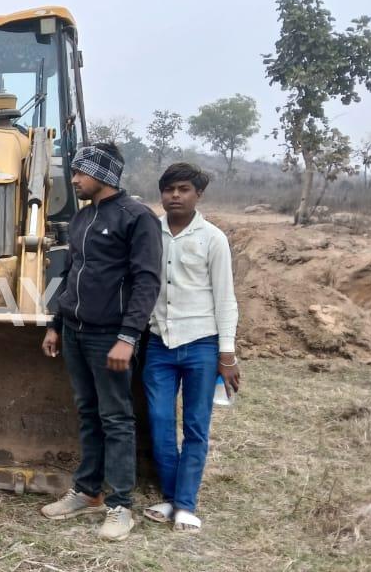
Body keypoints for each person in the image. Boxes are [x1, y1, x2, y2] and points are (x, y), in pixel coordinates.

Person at [39, 143, 162, 542]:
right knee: (88, 412)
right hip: (74, 331)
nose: (74, 180)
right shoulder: (82, 217)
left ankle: (120, 505)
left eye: (80, 172)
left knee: (116, 417)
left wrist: (128, 337)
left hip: (110, 335)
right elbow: (70, 274)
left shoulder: (137, 218)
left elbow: (147, 281)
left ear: (103, 174)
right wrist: (56, 324)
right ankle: (88, 491)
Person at [141, 163, 240, 533]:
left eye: (183, 189)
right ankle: (170, 497)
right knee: (160, 423)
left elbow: (225, 299)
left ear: (198, 194)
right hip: (159, 345)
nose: (175, 196)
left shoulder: (213, 239)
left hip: (201, 345)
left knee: (196, 426)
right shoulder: (150, 233)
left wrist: (226, 355)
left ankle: (185, 504)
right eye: (169, 189)